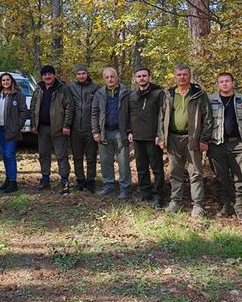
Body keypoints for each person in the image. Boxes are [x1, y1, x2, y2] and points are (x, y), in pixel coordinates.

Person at [162, 65, 212, 218]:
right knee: (175, 172)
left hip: (193, 138)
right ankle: (175, 202)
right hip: (172, 138)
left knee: (195, 173)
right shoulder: (169, 94)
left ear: (190, 76)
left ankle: (197, 205)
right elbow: (161, 116)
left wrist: (203, 139)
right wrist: (161, 136)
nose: (182, 77)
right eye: (179, 74)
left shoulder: (199, 94)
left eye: (185, 74)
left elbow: (208, 118)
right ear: (175, 77)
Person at [208, 73, 242, 223]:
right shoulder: (210, 99)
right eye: (221, 81)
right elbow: (205, 121)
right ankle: (224, 206)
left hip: (238, 144)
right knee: (221, 178)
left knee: (239, 178)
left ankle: (239, 209)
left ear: (233, 83)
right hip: (217, 144)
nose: (224, 84)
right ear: (218, 84)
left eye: (227, 81)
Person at [30, 65, 74, 193]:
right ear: (42, 76)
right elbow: (33, 107)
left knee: (61, 156)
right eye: (45, 75)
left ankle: (64, 181)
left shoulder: (62, 89)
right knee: (43, 154)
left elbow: (69, 108)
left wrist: (67, 125)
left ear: (54, 75)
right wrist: (34, 124)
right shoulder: (38, 89)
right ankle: (45, 179)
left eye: (50, 74)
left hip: (59, 129)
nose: (47, 77)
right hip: (42, 128)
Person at [128, 68, 167, 208]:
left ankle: (158, 196)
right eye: (139, 76)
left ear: (149, 77)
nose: (142, 78)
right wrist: (129, 131)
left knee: (157, 168)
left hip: (153, 138)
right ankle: (145, 193)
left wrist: (159, 134)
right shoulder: (132, 95)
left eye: (144, 76)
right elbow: (129, 115)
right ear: (136, 78)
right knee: (141, 168)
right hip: (138, 137)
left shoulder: (158, 94)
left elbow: (163, 116)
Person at [91, 67, 132, 200]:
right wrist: (96, 131)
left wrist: (130, 131)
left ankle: (125, 188)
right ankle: (109, 185)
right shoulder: (99, 94)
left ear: (117, 77)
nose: (110, 79)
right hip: (104, 132)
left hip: (121, 132)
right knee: (105, 161)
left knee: (124, 162)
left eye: (112, 77)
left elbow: (132, 113)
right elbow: (94, 113)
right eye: (107, 77)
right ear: (104, 79)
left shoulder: (126, 92)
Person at [0, 72, 29, 193]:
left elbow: (23, 112)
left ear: (12, 81)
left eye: (8, 80)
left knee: (9, 154)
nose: (6, 82)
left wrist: (18, 126)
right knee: (4, 155)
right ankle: (7, 179)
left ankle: (13, 181)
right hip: (0, 129)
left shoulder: (18, 95)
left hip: (11, 130)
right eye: (3, 80)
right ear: (0, 83)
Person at [68, 64, 99, 193]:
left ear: (87, 74)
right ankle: (80, 180)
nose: (81, 76)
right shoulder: (70, 87)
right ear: (76, 75)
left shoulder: (95, 88)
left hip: (90, 128)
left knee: (91, 156)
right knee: (77, 156)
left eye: (83, 73)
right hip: (75, 128)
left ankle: (91, 180)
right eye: (78, 74)